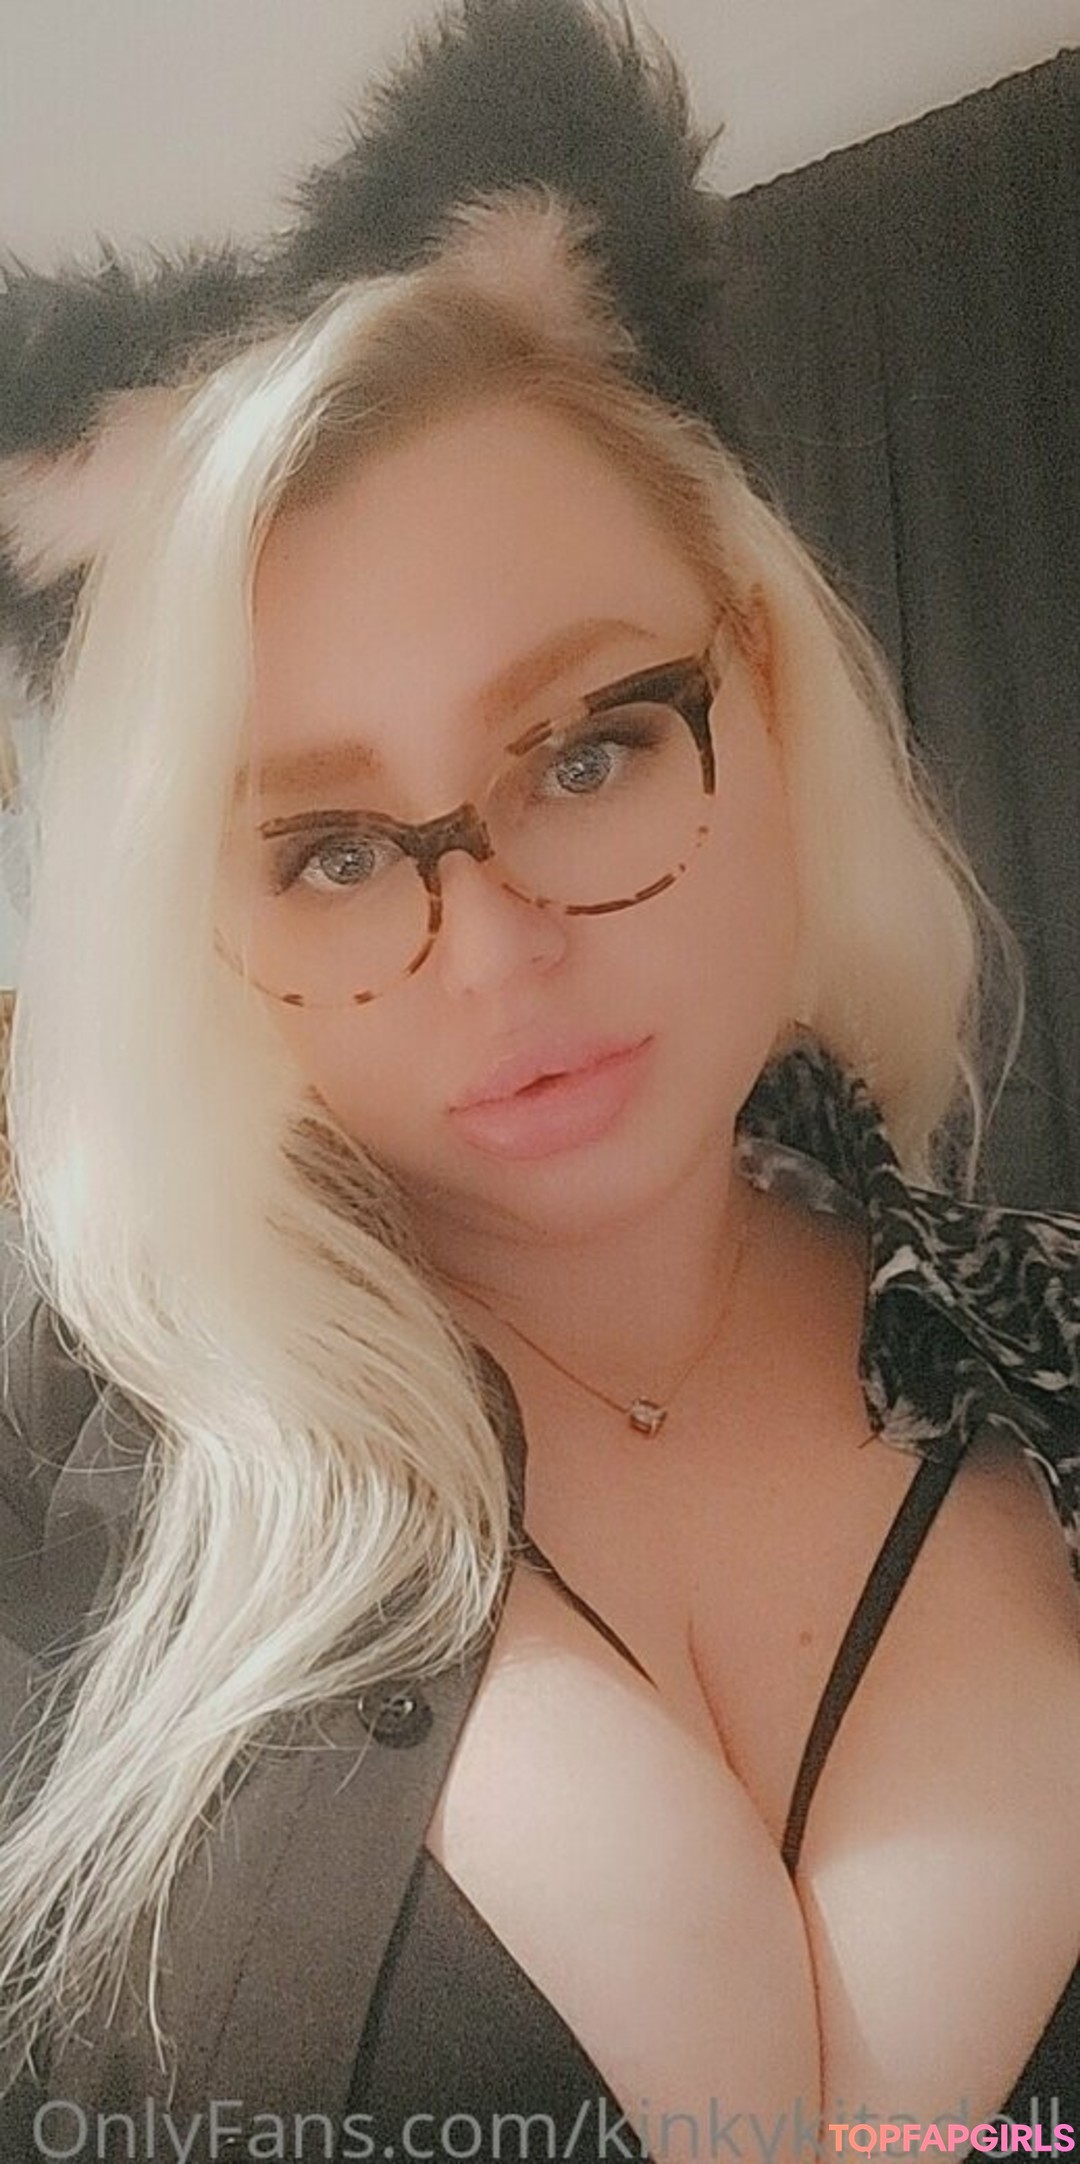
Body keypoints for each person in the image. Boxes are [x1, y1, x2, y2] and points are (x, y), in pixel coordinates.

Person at [0, 3, 1077, 2159]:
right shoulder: (82, 1444)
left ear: (761, 686)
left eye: (587, 751)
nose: (494, 954)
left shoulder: (1046, 1327)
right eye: (326, 850)